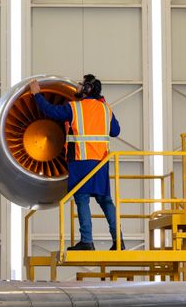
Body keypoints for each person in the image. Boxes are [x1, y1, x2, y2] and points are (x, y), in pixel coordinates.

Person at [29, 75, 123, 251]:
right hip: (101, 162)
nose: (77, 87)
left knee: (82, 199)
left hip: (81, 161)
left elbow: (50, 111)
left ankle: (87, 240)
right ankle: (119, 240)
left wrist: (37, 95)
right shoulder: (105, 109)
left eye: (80, 85)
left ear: (87, 89)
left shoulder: (74, 108)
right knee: (105, 200)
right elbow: (115, 131)